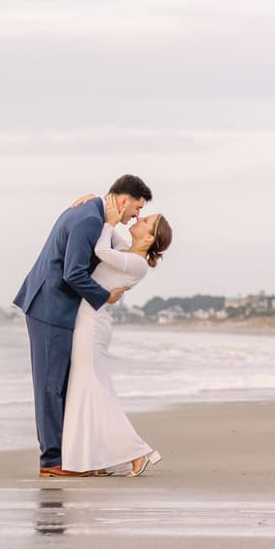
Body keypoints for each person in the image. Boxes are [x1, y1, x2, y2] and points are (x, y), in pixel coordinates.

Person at [12, 174, 152, 477]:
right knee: (50, 386)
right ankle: (52, 461)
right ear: (124, 199)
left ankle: (67, 456)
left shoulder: (92, 213)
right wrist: (106, 296)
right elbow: (73, 273)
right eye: (137, 208)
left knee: (59, 384)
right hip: (50, 307)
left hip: (57, 307)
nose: (136, 215)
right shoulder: (89, 219)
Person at [61, 196, 174, 476]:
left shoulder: (137, 264)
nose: (138, 218)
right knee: (89, 388)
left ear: (149, 238)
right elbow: (111, 237)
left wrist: (110, 221)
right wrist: (94, 200)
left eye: (146, 221)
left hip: (92, 323)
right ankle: (100, 459)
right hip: (89, 319)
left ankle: (137, 451)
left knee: (93, 389)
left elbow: (101, 249)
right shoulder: (129, 253)